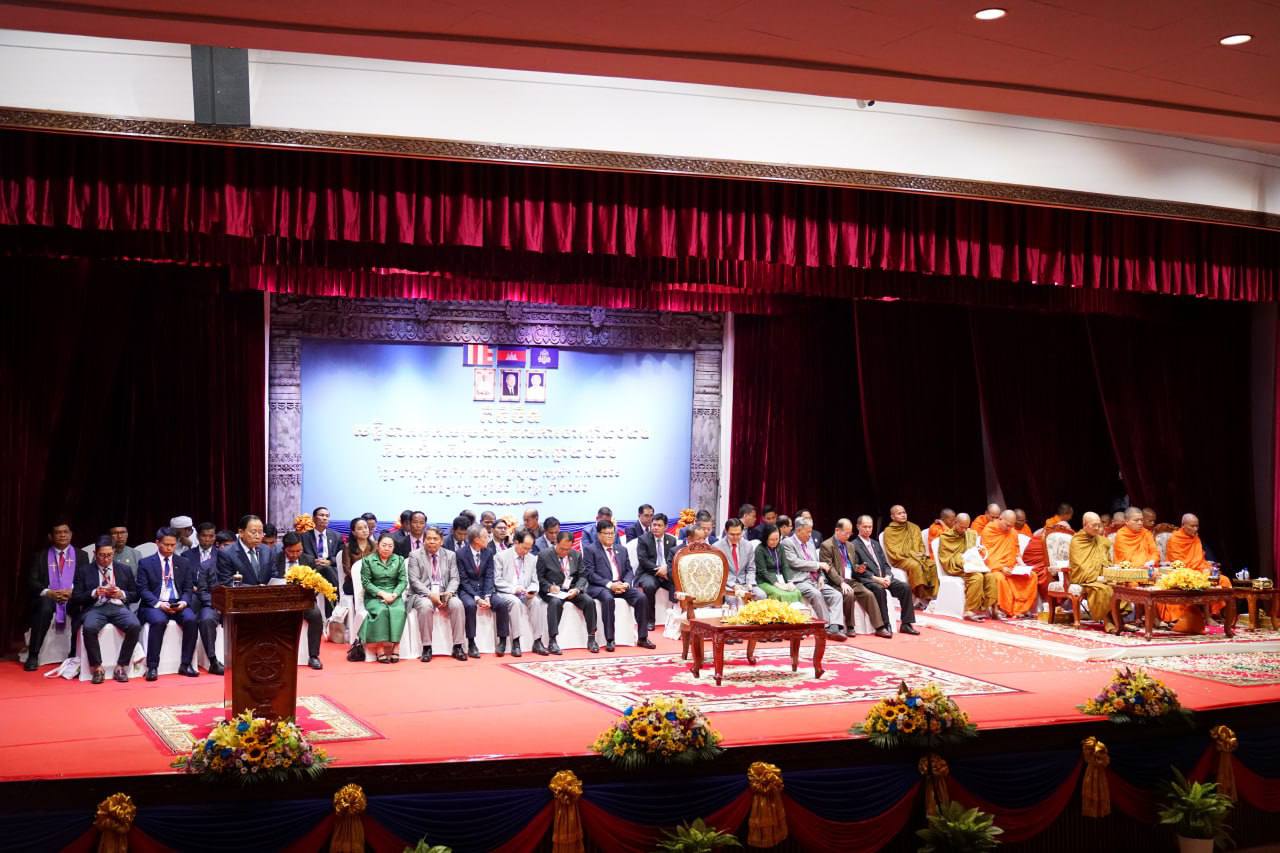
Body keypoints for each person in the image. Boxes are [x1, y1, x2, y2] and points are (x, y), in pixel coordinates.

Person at [74, 536, 141, 684]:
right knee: (89, 627)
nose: (106, 559)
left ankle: (121, 666)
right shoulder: (84, 571)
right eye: (102, 555)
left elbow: (135, 595)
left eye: (109, 555)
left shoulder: (124, 569)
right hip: (95, 608)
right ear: (95, 553)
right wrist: (94, 593)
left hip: (118, 607)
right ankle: (97, 667)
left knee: (135, 625)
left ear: (114, 552)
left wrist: (121, 594)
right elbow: (76, 597)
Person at [24, 519, 90, 671]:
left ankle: (74, 654)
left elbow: (86, 579)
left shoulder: (81, 556)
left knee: (81, 610)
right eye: (58, 533)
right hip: (49, 597)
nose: (62, 535)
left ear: (71, 535)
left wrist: (72, 591)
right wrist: (49, 592)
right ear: (50, 536)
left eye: (65, 532)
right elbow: (32, 581)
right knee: (44, 608)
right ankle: (33, 655)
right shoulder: (40, 556)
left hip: (72, 597)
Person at [137, 528, 200, 680]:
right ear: (157, 543)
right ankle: (152, 667)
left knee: (191, 620)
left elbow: (188, 588)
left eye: (173, 545)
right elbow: (142, 590)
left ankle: (186, 664)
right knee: (159, 621)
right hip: (155, 604)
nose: (170, 548)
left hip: (177, 602)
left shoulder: (183, 562)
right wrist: (158, 604)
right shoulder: (145, 563)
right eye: (166, 545)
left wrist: (184, 602)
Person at [583, 519, 654, 651]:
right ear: (599, 534)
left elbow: (629, 570)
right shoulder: (590, 550)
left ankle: (642, 638)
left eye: (612, 533)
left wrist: (626, 583)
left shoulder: (621, 549)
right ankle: (610, 640)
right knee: (608, 599)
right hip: (601, 586)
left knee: (641, 597)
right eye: (607, 533)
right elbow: (590, 574)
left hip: (621, 585)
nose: (610, 536)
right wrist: (610, 585)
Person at [405, 527, 467, 662]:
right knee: (426, 606)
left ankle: (458, 646)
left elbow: (455, 578)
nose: (431, 541)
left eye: (435, 539)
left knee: (457, 604)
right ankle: (427, 647)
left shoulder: (450, 555)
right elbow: (414, 581)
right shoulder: (415, 555)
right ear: (424, 540)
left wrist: (449, 593)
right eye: (428, 538)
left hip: (445, 591)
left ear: (441, 541)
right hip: (423, 594)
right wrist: (430, 594)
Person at [819, 518, 888, 638]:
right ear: (837, 530)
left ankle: (879, 627)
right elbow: (829, 568)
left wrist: (858, 568)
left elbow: (851, 564)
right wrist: (841, 582)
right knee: (849, 594)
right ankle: (850, 626)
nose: (848, 536)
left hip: (851, 579)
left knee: (868, 594)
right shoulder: (827, 545)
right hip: (835, 582)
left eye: (850, 533)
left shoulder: (850, 545)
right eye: (846, 533)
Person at [851, 516, 919, 635]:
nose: (868, 529)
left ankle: (906, 624)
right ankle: (884, 625)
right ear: (858, 527)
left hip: (884, 578)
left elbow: (886, 565)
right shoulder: (854, 545)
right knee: (879, 589)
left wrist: (888, 576)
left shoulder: (875, 544)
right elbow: (856, 569)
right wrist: (877, 579)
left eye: (870, 527)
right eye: (865, 527)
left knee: (905, 587)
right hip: (869, 579)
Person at [457, 524, 517, 657]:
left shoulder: (488, 552)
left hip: (485, 589)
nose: (488, 538)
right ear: (476, 539)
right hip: (468, 590)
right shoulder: (460, 554)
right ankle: (471, 643)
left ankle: (502, 641)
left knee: (501, 604)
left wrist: (488, 595)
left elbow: (489, 575)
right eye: (485, 536)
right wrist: (477, 598)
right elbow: (463, 580)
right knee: (470, 605)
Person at [782, 517, 847, 640]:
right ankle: (826, 627)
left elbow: (818, 565)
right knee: (816, 594)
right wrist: (818, 565)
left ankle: (835, 627)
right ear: (799, 530)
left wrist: (821, 577)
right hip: (799, 580)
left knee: (836, 595)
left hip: (815, 580)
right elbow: (794, 562)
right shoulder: (787, 543)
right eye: (808, 532)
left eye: (811, 531)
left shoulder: (810, 544)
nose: (810, 535)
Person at [537, 530, 600, 654]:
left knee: (589, 602)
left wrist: (577, 589)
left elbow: (583, 576)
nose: (564, 552)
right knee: (555, 603)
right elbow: (539, 577)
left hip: (571, 589)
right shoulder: (544, 555)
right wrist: (549, 587)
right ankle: (552, 640)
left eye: (567, 549)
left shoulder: (576, 555)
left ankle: (592, 638)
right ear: (556, 543)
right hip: (553, 590)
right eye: (562, 549)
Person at [1163, 513, 1233, 624]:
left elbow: (1200, 559)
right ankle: (1204, 616)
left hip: (1199, 570)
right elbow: (1177, 562)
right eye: (1192, 526)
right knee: (1200, 580)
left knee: (1224, 580)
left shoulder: (1196, 538)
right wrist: (1197, 570)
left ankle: (1218, 615)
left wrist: (1207, 568)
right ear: (1183, 525)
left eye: (1197, 526)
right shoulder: (1174, 540)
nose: (1195, 529)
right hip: (1182, 572)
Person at [1069, 513, 1129, 633]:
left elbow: (1106, 561)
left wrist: (1108, 573)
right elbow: (1080, 565)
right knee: (1103, 589)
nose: (1097, 528)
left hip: (1102, 576)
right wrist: (1096, 577)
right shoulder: (1077, 541)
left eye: (1099, 525)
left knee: (1119, 587)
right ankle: (1107, 621)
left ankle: (1119, 622)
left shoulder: (1101, 541)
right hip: (1085, 578)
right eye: (1094, 525)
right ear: (1085, 525)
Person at [274, 532, 325, 669]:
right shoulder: (275, 559)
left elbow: (316, 585)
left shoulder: (308, 560)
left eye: (299, 551)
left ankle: (313, 656)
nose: (295, 554)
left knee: (316, 615)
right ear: (284, 549)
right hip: (279, 600)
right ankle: (276, 655)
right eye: (291, 551)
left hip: (303, 600)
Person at [937, 513, 999, 621]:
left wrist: (976, 553)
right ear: (955, 523)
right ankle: (970, 611)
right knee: (977, 577)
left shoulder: (971, 534)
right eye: (962, 527)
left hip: (972, 565)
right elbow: (946, 559)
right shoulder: (946, 537)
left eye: (966, 527)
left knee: (990, 576)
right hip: (956, 566)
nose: (964, 530)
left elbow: (973, 551)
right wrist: (962, 559)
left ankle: (992, 608)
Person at [360, 533, 409, 663]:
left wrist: (394, 594)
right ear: (378, 545)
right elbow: (366, 583)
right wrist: (382, 594)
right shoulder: (368, 560)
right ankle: (380, 648)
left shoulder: (399, 559)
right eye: (384, 545)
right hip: (374, 595)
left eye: (390, 546)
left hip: (394, 594)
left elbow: (403, 581)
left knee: (399, 611)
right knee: (382, 610)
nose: (387, 548)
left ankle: (396, 646)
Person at [982, 510, 1037, 618]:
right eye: (1007, 525)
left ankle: (1021, 609)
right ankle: (1006, 609)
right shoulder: (989, 531)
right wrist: (1001, 568)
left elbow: (1016, 553)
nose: (1009, 528)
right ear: (1000, 519)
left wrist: (1022, 565)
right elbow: (986, 555)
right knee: (999, 578)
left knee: (1032, 576)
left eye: (1011, 526)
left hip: (1011, 568)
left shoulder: (1013, 532)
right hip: (995, 568)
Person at [495, 529, 540, 655]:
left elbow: (535, 581)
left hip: (525, 592)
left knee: (536, 602)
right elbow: (497, 580)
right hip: (506, 592)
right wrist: (514, 589)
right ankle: (516, 642)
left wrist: (532, 590)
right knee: (515, 602)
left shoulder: (532, 559)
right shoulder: (501, 556)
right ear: (516, 542)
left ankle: (538, 641)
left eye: (529, 548)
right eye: (525, 548)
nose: (527, 551)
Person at [187, 523, 225, 674]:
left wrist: (218, 602)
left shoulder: (223, 556)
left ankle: (214, 661)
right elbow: (183, 580)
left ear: (215, 537)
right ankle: (189, 662)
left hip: (217, 600)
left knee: (207, 618)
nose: (207, 539)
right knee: (191, 618)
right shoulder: (187, 556)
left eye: (211, 536)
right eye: (204, 536)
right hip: (196, 598)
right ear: (198, 536)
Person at [883, 505, 939, 605]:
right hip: (900, 559)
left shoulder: (914, 527)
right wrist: (912, 554)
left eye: (904, 512)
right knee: (916, 566)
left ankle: (932, 595)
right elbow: (893, 550)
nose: (903, 515)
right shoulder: (889, 531)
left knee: (932, 564)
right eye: (899, 513)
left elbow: (921, 545)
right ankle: (922, 596)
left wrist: (920, 553)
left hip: (917, 557)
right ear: (892, 517)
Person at [635, 513, 677, 632]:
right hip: (648, 572)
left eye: (659, 525)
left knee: (678, 583)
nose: (655, 528)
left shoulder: (671, 540)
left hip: (666, 572)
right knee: (649, 586)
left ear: (666, 527)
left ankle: (676, 617)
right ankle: (650, 620)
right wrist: (660, 569)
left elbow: (673, 559)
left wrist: (666, 569)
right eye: (654, 525)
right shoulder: (643, 539)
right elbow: (643, 560)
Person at [301, 506, 343, 612]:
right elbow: (302, 554)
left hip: (330, 568)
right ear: (314, 518)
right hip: (313, 569)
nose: (325, 518)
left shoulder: (336, 536)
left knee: (326, 568)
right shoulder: (304, 537)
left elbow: (341, 555)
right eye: (321, 515)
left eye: (327, 516)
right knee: (324, 569)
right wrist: (313, 561)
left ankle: (330, 610)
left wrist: (330, 561)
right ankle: (336, 598)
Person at [216, 514, 273, 587]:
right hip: (239, 594)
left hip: (267, 593)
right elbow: (227, 582)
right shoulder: (226, 553)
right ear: (241, 532)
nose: (258, 536)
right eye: (253, 532)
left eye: (260, 532)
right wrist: (255, 589)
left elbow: (273, 574)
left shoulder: (266, 550)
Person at [713, 518, 762, 604]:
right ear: (726, 532)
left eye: (738, 534)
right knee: (735, 600)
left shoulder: (748, 545)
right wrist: (733, 585)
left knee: (761, 596)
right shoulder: (717, 547)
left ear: (743, 532)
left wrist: (750, 583)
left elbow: (751, 568)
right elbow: (717, 572)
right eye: (732, 534)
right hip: (727, 584)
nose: (735, 537)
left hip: (745, 583)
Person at [754, 524, 801, 602]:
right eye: (771, 539)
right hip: (764, 581)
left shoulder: (780, 547)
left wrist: (789, 582)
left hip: (780, 578)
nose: (775, 542)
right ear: (765, 538)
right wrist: (777, 584)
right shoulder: (760, 550)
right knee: (781, 594)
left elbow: (785, 566)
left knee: (796, 592)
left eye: (777, 539)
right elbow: (763, 571)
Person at [344, 517, 376, 596]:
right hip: (353, 581)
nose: (364, 530)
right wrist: (360, 579)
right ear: (354, 532)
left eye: (366, 527)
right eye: (360, 529)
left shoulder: (375, 545)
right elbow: (347, 569)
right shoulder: (348, 547)